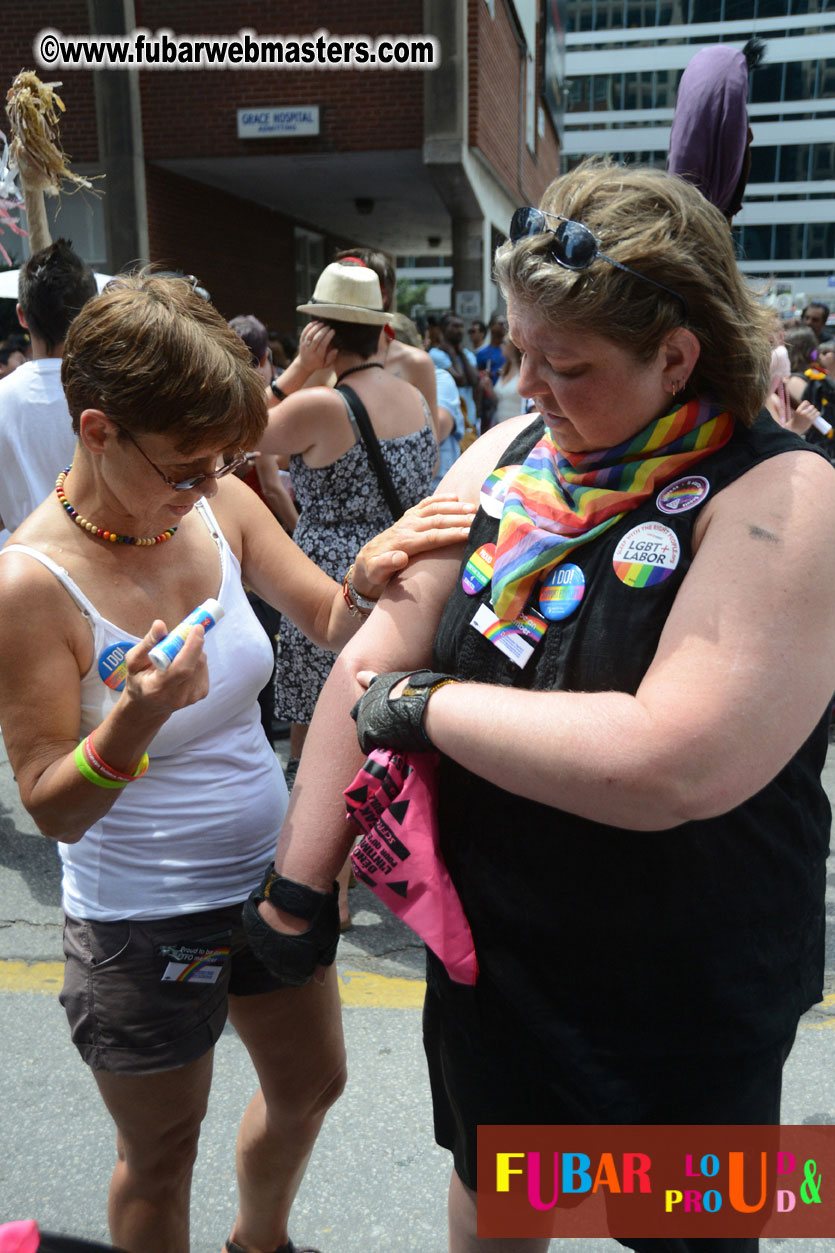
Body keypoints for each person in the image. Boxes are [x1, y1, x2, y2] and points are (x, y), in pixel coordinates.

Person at [244, 159, 835, 1253]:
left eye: (566, 364)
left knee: (683, 1231)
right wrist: (297, 882)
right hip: (500, 960)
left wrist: (425, 707)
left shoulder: (782, 493)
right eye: (519, 352)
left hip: (683, 989)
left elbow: (671, 760)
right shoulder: (515, 456)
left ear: (676, 354)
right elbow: (367, 651)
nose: (529, 388)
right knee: (501, 1194)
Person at [0, 274, 474, 1253]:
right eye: (182, 462)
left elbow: (329, 619)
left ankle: (260, 1240)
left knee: (308, 1086)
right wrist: (130, 721)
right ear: (97, 429)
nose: (206, 479)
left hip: (270, 882)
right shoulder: (29, 584)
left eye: (220, 457)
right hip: (140, 917)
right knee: (162, 1151)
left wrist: (375, 567)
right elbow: (53, 808)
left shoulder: (213, 497)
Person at [258, 262, 439, 820]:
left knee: (316, 725)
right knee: (372, 712)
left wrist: (296, 370)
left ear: (325, 335)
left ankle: (315, 864)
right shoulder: (412, 397)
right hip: (400, 569)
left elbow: (235, 433)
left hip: (332, 579)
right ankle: (363, 845)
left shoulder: (319, 404)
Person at [0, 238, 97, 533]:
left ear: (21, 315)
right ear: (92, 312)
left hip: (18, 559)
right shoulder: (115, 394)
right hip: (106, 557)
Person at [429, 312, 481, 438]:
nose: (460, 330)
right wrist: (452, 353)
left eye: (461, 326)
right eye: (455, 326)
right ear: (444, 329)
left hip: (470, 418)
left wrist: (461, 354)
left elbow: (475, 380)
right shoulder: (436, 354)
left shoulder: (467, 354)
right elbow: (460, 379)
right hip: (452, 423)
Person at [490, 335, 524, 424]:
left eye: (504, 343)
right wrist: (488, 387)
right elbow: (501, 399)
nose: (501, 345)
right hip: (500, 425)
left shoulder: (524, 371)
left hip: (518, 425)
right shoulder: (504, 369)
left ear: (514, 346)